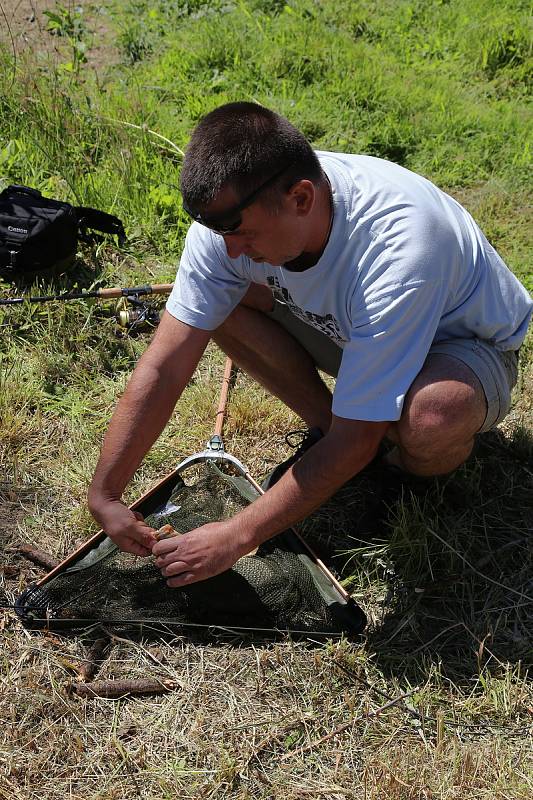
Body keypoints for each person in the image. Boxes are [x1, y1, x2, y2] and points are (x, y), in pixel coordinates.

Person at [88, 101, 532, 589]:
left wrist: (234, 537)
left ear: (302, 198)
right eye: (220, 233)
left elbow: (356, 438)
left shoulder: (399, 246)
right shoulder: (230, 221)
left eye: (241, 233)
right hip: (356, 329)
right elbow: (164, 367)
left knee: (428, 417)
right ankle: (330, 423)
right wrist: (107, 493)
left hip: (461, 346)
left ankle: (404, 476)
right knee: (216, 306)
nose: (230, 248)